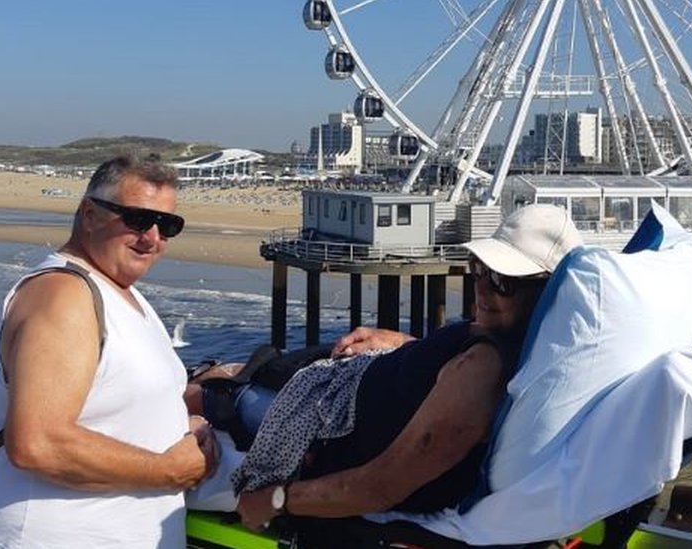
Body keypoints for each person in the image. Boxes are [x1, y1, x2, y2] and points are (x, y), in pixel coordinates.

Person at [232, 205, 583, 532]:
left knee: (215, 395)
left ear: (547, 291)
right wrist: (404, 343)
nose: (482, 289)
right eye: (479, 270)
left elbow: (380, 485)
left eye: (503, 281)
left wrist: (276, 500)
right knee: (236, 371)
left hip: (324, 416)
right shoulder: (511, 338)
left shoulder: (483, 372)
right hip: (347, 376)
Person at [0, 155, 218, 548]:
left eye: (167, 225)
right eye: (136, 219)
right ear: (90, 214)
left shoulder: (119, 292)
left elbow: (113, 397)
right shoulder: (63, 295)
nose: (152, 237)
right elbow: (38, 443)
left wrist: (185, 420)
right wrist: (167, 470)